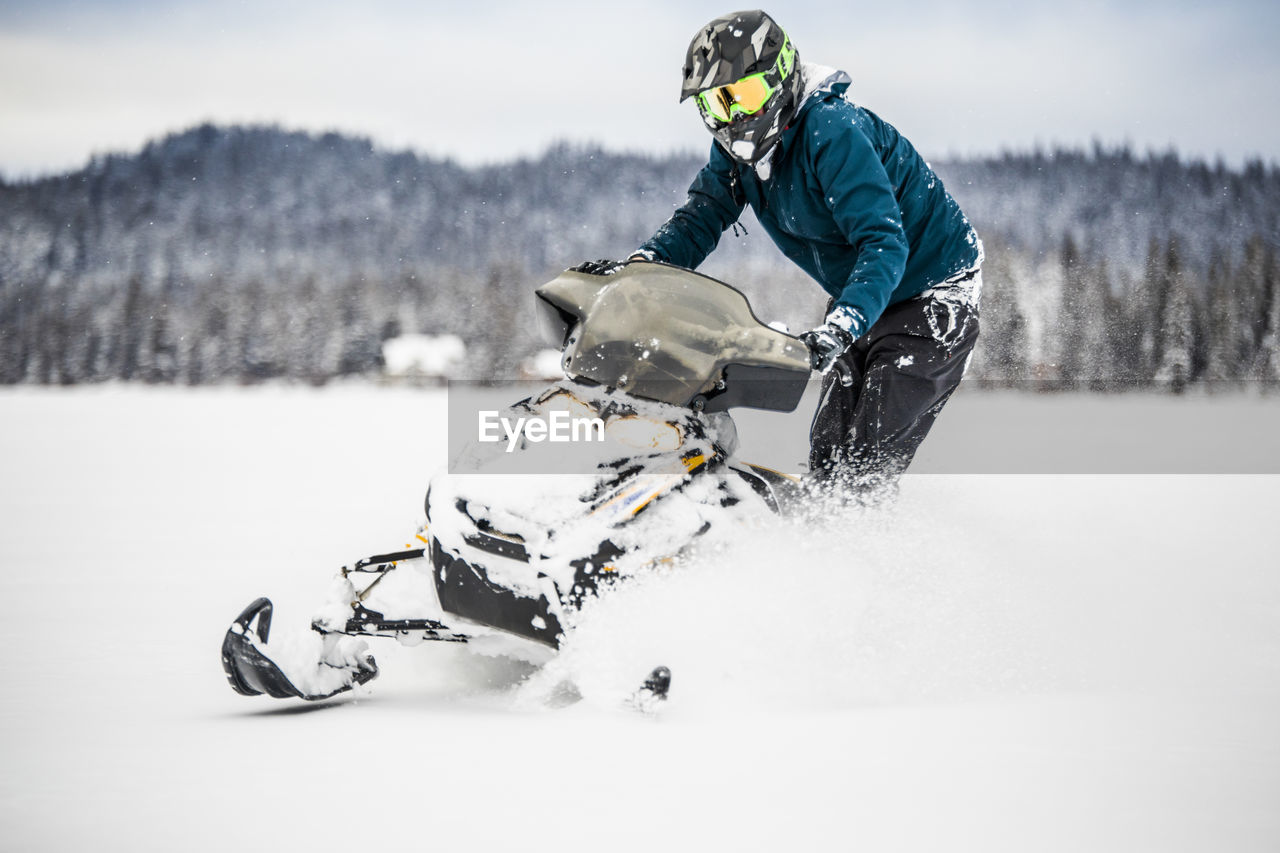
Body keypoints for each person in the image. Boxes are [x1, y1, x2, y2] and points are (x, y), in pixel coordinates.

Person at [582, 9, 983, 501]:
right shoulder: (735, 153)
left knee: (863, 466)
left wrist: (840, 326)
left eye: (745, 95)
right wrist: (637, 272)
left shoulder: (831, 130)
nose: (735, 117)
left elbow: (883, 242)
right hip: (868, 300)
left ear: (781, 77)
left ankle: (875, 560)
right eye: (716, 104)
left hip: (933, 297)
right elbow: (702, 216)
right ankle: (809, 560)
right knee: (828, 457)